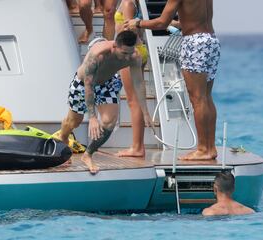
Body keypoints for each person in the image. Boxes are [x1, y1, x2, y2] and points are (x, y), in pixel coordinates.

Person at [125, 0, 221, 160]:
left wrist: (139, 23)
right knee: (206, 97)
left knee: (197, 99)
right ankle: (210, 148)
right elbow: (193, 17)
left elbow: (161, 22)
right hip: (210, 40)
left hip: (194, 43)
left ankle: (203, 149)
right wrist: (178, 23)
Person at [59, 30, 154, 174]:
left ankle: (88, 154)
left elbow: (139, 83)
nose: (127, 57)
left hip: (107, 83)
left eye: (130, 52)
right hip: (84, 83)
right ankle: (63, 137)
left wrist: (146, 112)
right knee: (73, 122)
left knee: (109, 121)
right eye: (124, 53)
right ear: (114, 46)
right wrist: (92, 117)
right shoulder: (98, 54)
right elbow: (88, 85)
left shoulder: (134, 56)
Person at [114, 0, 149, 157]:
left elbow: (130, 34)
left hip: (132, 52)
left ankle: (137, 147)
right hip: (137, 50)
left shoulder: (128, 3)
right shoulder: (129, 2)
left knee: (133, 101)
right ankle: (137, 146)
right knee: (134, 101)